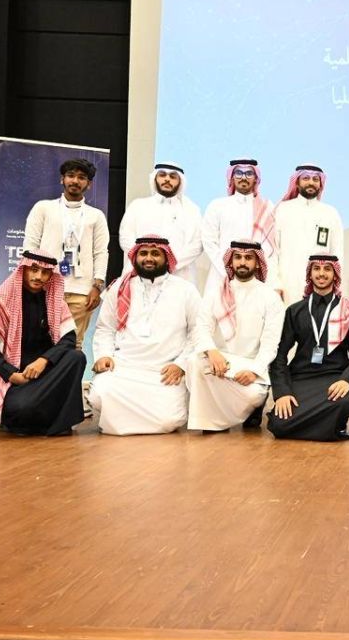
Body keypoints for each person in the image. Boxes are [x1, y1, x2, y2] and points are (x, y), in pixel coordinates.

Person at [0, 249, 86, 438]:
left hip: (43, 376)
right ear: (23, 269)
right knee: (21, 407)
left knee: (76, 357)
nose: (39, 276)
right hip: (11, 380)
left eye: (45, 272)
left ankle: (54, 422)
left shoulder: (53, 301)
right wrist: (12, 375)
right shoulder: (3, 300)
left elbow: (68, 339)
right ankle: (29, 416)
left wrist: (44, 360)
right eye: (34, 270)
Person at [88, 236, 202, 435]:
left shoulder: (185, 290)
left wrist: (181, 364)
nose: (149, 258)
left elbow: (198, 331)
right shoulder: (119, 287)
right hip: (124, 366)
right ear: (135, 257)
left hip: (164, 371)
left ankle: (118, 419)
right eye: (143, 253)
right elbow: (105, 328)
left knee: (170, 420)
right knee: (98, 395)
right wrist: (103, 355)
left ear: (166, 258)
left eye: (155, 253)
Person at [186, 240, 284, 432]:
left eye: (248, 258)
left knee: (252, 395)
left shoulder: (270, 297)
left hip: (250, 366)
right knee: (194, 361)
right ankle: (212, 420)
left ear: (258, 263)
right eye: (237, 257)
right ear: (231, 261)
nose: (242, 262)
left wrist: (254, 371)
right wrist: (212, 351)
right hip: (221, 363)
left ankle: (254, 408)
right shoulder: (215, 293)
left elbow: (271, 344)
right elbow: (201, 327)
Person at [268, 255, 349, 441]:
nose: (322, 274)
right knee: (279, 424)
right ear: (310, 274)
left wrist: (346, 380)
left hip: (335, 378)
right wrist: (282, 393)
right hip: (301, 378)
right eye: (317, 269)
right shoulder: (295, 311)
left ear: (335, 274)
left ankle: (322, 424)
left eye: (327, 269)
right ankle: (330, 427)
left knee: (344, 403)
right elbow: (279, 355)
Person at [22, 157, 109, 347]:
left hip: (81, 292)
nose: (75, 181)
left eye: (81, 177)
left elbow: (101, 252)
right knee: (40, 342)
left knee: (73, 344)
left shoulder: (96, 216)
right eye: (71, 175)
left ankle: (70, 370)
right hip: (46, 286)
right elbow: (30, 245)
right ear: (62, 179)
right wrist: (30, 281)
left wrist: (97, 286)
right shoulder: (43, 208)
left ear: (89, 184)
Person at [201, 158, 281, 291]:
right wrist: (228, 270)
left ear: (256, 178)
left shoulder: (266, 207)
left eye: (249, 173)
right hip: (220, 276)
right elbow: (209, 242)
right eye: (238, 173)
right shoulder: (217, 205)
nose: (244, 177)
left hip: (254, 278)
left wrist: (252, 272)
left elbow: (269, 249)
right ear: (232, 177)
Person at [118, 161, 203, 283]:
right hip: (140, 272)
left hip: (179, 275)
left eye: (173, 176)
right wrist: (145, 261)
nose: (167, 179)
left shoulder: (192, 210)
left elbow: (197, 244)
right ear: (155, 178)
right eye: (162, 175)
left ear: (180, 182)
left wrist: (170, 264)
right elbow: (126, 237)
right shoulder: (138, 206)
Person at [272, 164, 344, 296]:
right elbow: (273, 250)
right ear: (297, 182)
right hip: (287, 283)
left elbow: (337, 253)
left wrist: (336, 285)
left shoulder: (330, 213)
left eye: (315, 179)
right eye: (306, 178)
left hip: (321, 285)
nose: (311, 182)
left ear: (321, 184)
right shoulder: (282, 210)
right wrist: (275, 284)